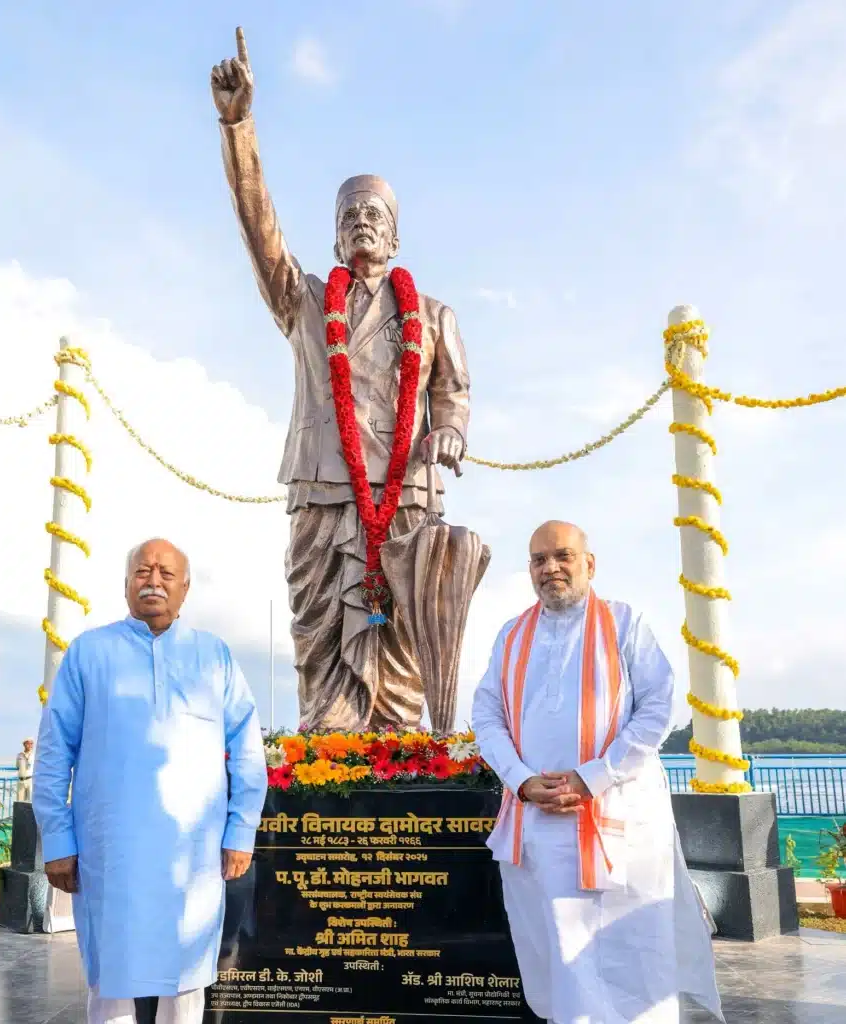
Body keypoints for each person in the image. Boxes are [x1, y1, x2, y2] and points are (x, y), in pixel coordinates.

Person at [212, 28, 471, 733]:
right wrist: (239, 126)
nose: (361, 225)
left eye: (374, 217)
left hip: (407, 482)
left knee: (404, 630)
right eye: (348, 217)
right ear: (333, 239)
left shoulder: (435, 313)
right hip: (324, 483)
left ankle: (400, 747)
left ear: (394, 236)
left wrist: (447, 428)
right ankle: (327, 748)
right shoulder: (303, 301)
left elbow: (452, 390)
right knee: (320, 627)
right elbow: (258, 227)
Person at [471, 521, 723, 1024]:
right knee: (554, 956)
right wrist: (520, 777)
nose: (551, 568)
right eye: (539, 560)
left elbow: (657, 708)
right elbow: (486, 713)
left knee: (626, 961)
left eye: (563, 556)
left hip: (615, 825)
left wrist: (594, 777)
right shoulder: (512, 634)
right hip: (536, 826)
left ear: (589, 563)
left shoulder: (626, 624)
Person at [32, 538, 268, 1024]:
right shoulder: (88, 653)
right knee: (112, 983)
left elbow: (247, 749)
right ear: (125, 586)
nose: (153, 581)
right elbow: (55, 752)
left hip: (194, 855)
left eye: (166, 574)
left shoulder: (214, 656)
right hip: (110, 853)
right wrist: (57, 841)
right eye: (143, 572)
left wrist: (240, 831)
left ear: (184, 590)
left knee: (184, 989)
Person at [15, 738, 34, 802]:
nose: (30, 745)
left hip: (30, 780)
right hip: (21, 781)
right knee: (19, 801)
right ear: (24, 744)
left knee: (30, 801)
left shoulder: (34, 755)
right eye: (28, 743)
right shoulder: (19, 755)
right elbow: (17, 766)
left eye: (31, 743)